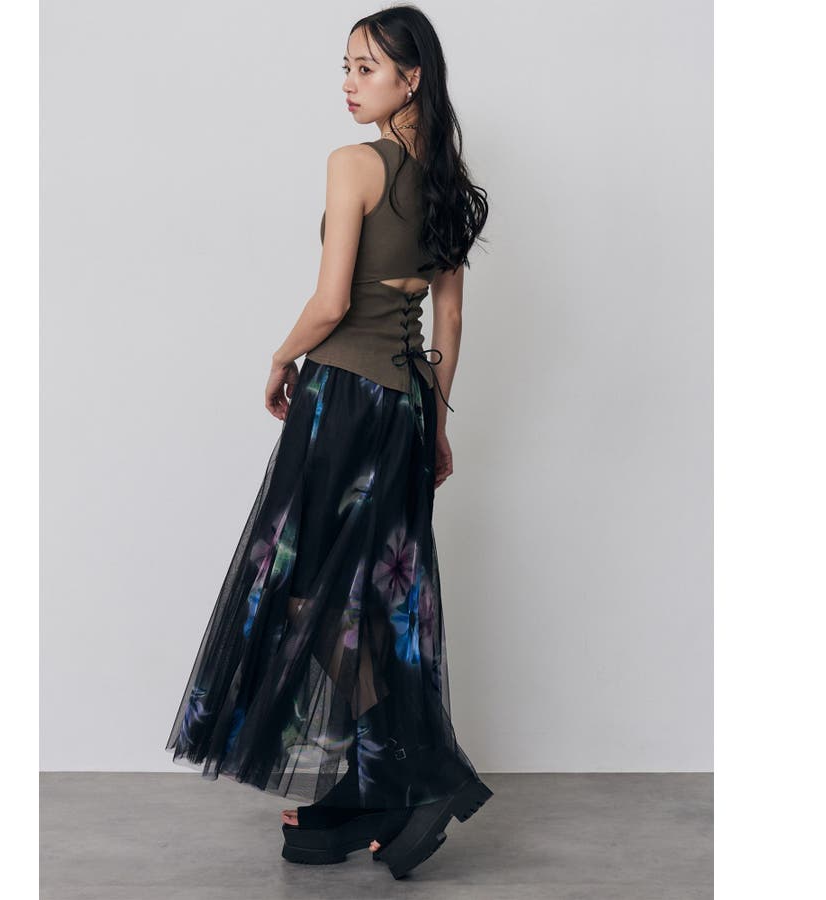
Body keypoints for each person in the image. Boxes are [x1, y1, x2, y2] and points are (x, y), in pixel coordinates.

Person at [165, 6, 492, 879]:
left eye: (366, 68)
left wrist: (281, 357)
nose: (348, 84)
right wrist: (435, 422)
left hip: (342, 398)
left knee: (312, 589)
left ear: (411, 78)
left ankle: (421, 778)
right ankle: (361, 787)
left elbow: (332, 302)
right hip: (405, 406)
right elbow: (450, 320)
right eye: (344, 67)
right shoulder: (450, 182)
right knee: (367, 598)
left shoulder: (354, 164)